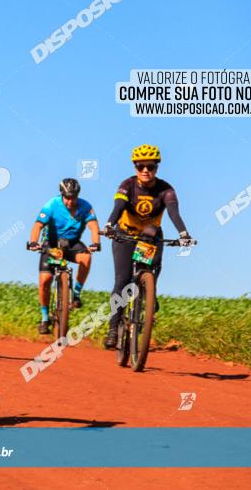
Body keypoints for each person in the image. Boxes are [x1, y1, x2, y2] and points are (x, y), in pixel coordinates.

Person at [102, 144, 194, 349]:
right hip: (124, 235)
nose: (145, 170)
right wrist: (109, 225)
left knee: (150, 268)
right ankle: (113, 327)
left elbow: (173, 212)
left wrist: (183, 233)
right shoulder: (127, 185)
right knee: (122, 280)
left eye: (150, 167)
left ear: (156, 167)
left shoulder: (165, 189)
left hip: (148, 238)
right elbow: (118, 207)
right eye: (140, 166)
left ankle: (149, 292)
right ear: (135, 167)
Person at [28, 178, 101, 335]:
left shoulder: (85, 206)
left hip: (72, 244)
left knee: (87, 257)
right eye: (67, 197)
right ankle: (45, 318)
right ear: (62, 195)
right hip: (52, 245)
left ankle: (76, 294)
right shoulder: (52, 205)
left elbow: (93, 226)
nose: (70, 201)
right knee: (45, 281)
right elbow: (38, 225)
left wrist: (95, 243)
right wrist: (33, 242)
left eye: (73, 197)